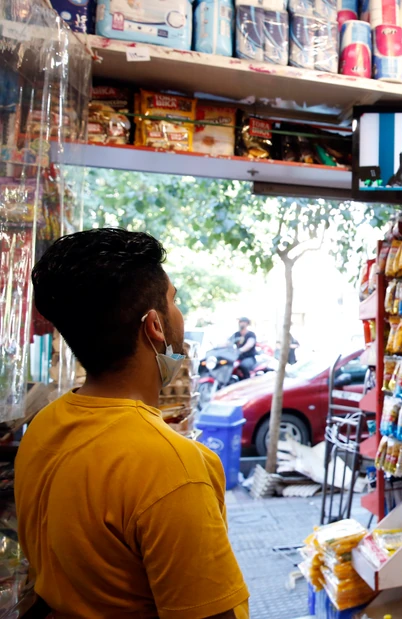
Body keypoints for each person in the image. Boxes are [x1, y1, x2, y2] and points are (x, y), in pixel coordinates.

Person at [20, 228, 249, 618]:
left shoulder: (44, 426)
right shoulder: (172, 469)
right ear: (155, 326)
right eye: (174, 301)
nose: (180, 313)